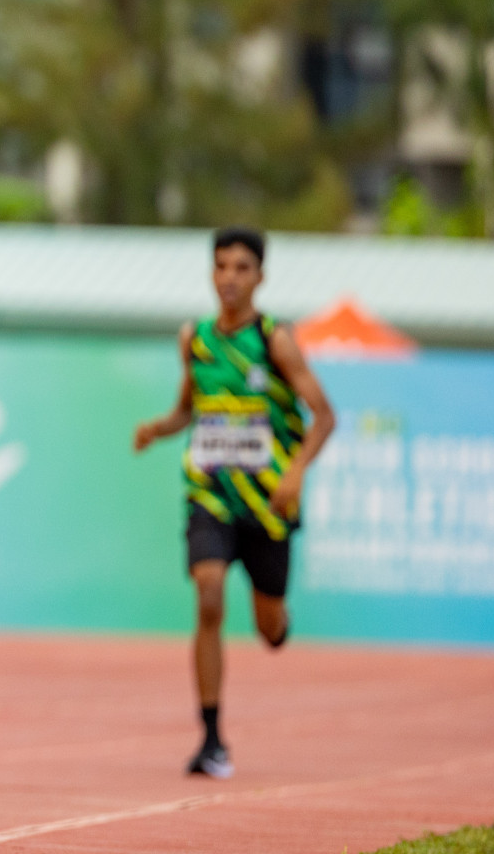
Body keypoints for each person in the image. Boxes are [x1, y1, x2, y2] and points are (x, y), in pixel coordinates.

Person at [134, 226, 335, 779]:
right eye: (221, 266)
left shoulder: (276, 341)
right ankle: (212, 739)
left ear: (260, 277)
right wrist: (160, 427)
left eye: (241, 268)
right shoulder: (194, 340)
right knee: (208, 594)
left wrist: (294, 474)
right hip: (211, 493)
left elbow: (325, 416)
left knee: (268, 628)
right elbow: (187, 409)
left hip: (268, 504)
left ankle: (277, 621)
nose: (229, 278)